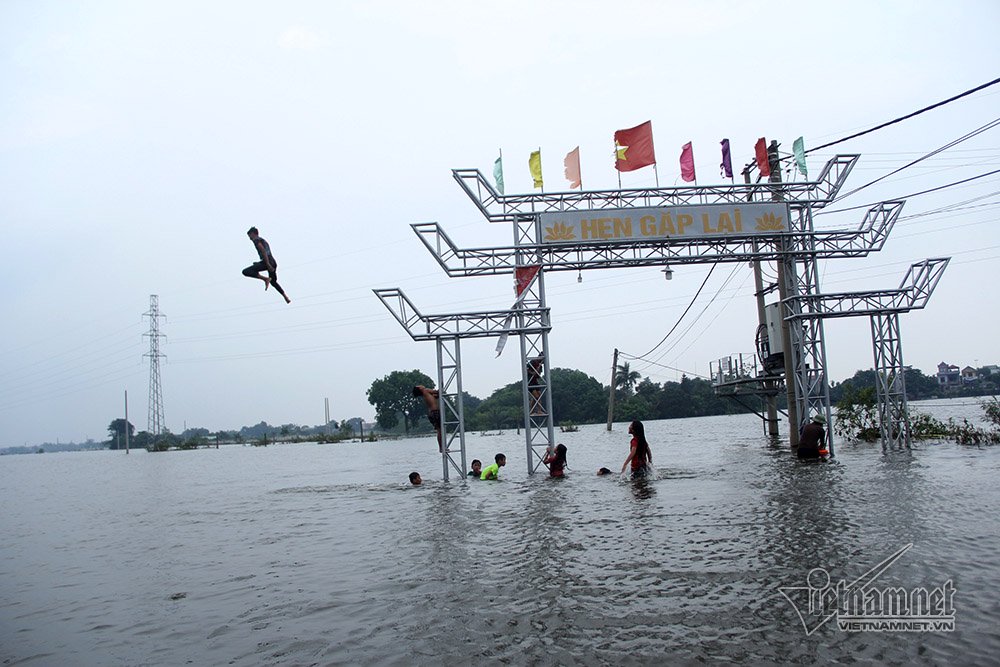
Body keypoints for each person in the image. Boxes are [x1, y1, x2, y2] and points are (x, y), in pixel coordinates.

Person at [242, 227, 291, 304]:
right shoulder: (263, 240)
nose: (250, 238)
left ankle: (265, 279)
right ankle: (285, 297)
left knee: (246, 271)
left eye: (250, 236)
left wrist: (267, 264)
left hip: (267, 262)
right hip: (273, 262)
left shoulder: (256, 240)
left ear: (253, 234)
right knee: (273, 282)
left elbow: (263, 251)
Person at [412, 385, 442, 451]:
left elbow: (436, 396)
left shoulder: (426, 394)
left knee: (439, 430)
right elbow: (437, 392)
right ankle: (441, 447)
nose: (422, 385)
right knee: (440, 430)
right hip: (435, 412)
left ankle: (441, 447)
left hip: (431, 413)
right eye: (420, 385)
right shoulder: (425, 390)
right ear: (419, 388)